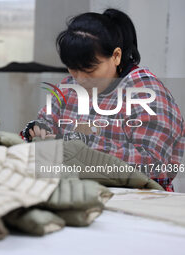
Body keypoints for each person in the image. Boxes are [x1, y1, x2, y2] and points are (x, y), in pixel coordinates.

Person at [20, 8, 185, 191]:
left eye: (90, 71)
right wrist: (37, 131)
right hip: (79, 193)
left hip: (139, 203)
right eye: (73, 69)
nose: (80, 79)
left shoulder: (146, 94)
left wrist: (81, 146)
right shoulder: (68, 89)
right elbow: (47, 125)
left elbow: (157, 169)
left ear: (116, 56)